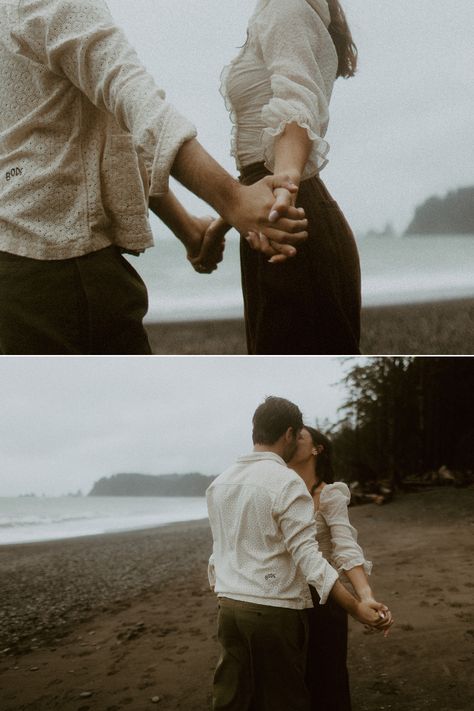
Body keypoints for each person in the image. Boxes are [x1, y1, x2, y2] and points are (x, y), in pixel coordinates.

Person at [0, 0, 307, 355]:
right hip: (63, 271)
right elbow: (137, 101)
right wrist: (233, 198)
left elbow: (105, 137)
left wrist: (186, 229)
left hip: (17, 263)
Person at [206, 397, 392, 711]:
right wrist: (356, 608)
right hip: (275, 605)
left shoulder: (220, 482)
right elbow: (308, 556)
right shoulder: (285, 482)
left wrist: (223, 589)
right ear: (289, 434)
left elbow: (219, 553)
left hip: (231, 604)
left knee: (235, 698)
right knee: (285, 698)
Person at [210, 0, 362, 354]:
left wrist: (284, 191)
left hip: (287, 221)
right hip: (274, 211)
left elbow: (297, 103)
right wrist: (228, 216)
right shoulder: (281, 9)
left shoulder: (286, 6)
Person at [288, 427, 391, 711]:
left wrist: (365, 595)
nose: (290, 439)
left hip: (326, 596)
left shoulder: (329, 494)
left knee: (328, 680)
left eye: (299, 436)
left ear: (316, 449)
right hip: (282, 597)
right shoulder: (277, 491)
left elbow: (345, 547)